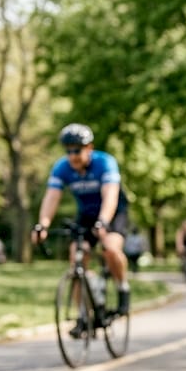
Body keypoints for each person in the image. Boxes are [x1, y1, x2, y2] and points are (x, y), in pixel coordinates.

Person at [32, 123, 131, 318]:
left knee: (111, 248)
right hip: (86, 214)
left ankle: (122, 287)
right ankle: (83, 314)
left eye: (77, 150)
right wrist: (43, 224)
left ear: (89, 148)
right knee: (76, 257)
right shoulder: (62, 167)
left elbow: (110, 195)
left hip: (113, 211)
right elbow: (52, 197)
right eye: (68, 151)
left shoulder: (105, 162)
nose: (72, 156)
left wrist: (103, 222)